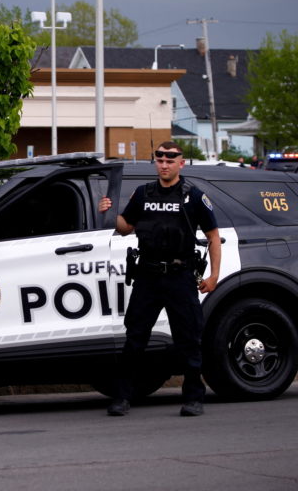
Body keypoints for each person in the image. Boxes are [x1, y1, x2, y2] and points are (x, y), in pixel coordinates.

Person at [98, 141, 221, 417]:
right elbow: (126, 227)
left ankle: (193, 397)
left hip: (180, 276)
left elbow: (213, 236)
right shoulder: (143, 194)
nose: (164, 164)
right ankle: (122, 397)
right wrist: (108, 212)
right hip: (148, 276)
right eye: (160, 159)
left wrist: (214, 275)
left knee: (188, 338)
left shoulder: (194, 196)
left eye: (170, 159)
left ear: (181, 163)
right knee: (135, 338)